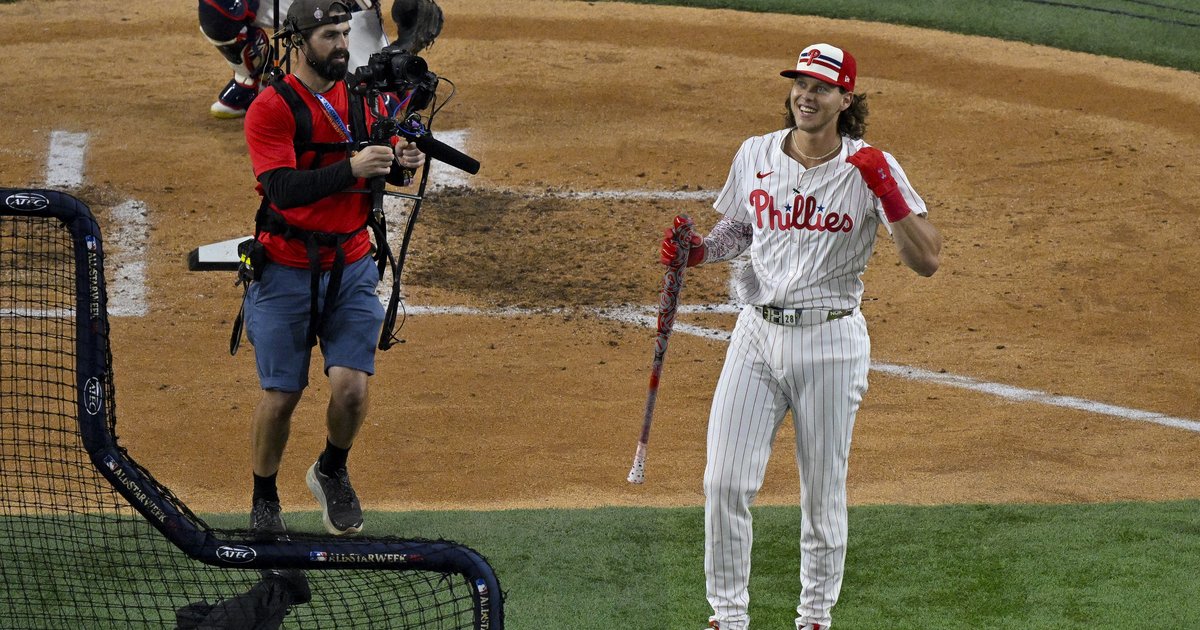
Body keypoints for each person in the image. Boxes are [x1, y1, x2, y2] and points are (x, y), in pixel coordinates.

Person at [659, 43, 942, 630]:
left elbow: (927, 259)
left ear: (845, 99)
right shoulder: (756, 152)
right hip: (757, 336)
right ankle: (728, 617)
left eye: (820, 87)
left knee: (822, 493)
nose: (805, 95)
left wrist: (886, 189)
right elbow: (740, 229)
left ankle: (814, 617)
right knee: (724, 481)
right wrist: (698, 252)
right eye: (799, 84)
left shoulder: (868, 166)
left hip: (831, 343)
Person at [241, 0, 426, 537]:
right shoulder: (272, 108)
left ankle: (331, 469)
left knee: (351, 389)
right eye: (330, 35)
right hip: (285, 267)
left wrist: (401, 162)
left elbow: (384, 171)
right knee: (281, 397)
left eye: (346, 33)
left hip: (350, 264)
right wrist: (351, 166)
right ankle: (264, 496)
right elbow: (281, 189)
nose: (344, 45)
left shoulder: (365, 98)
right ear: (299, 41)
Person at [198, 0, 442, 119]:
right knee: (217, 7)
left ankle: (396, 60)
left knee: (373, 109)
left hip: (343, 5)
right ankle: (255, 78)